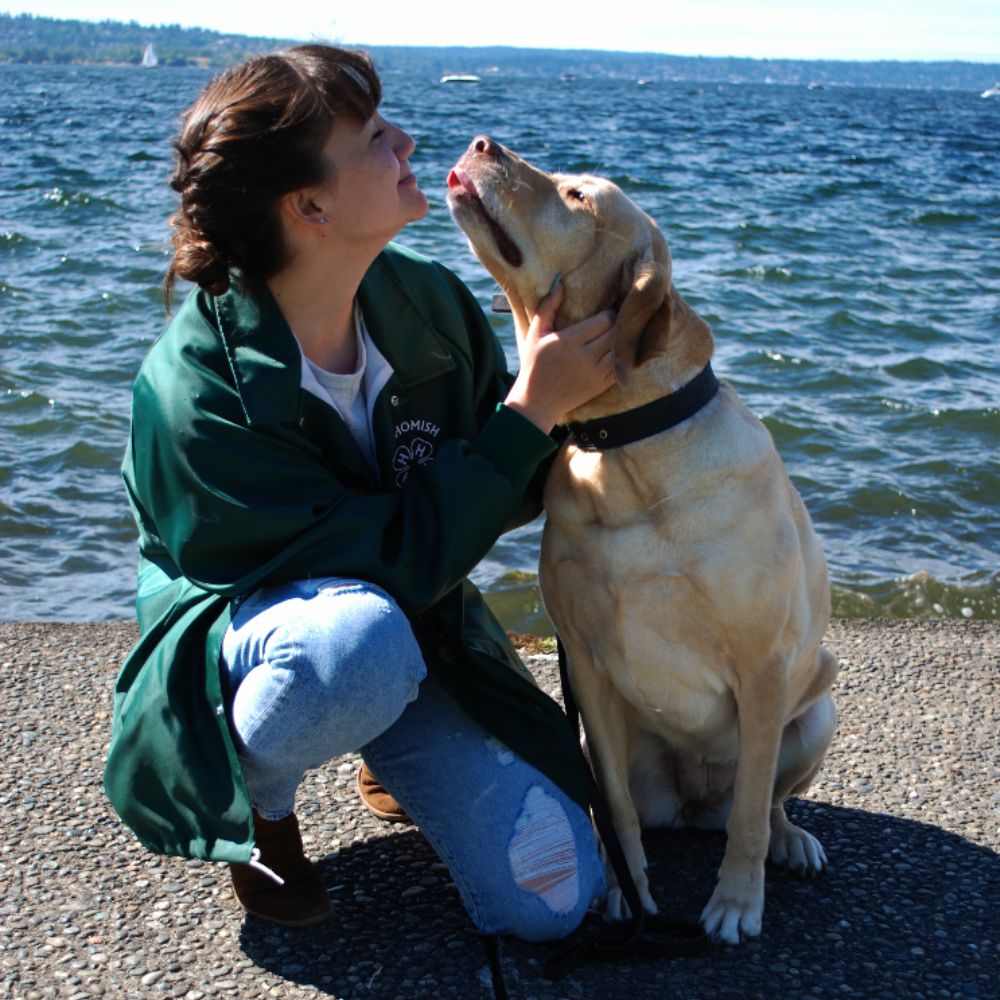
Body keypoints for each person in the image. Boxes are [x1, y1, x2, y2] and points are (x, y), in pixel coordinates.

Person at [103, 44, 617, 943]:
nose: (407, 141)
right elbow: (386, 560)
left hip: (406, 627)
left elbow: (503, 486)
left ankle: (389, 745)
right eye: (375, 136)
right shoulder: (196, 393)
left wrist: (589, 398)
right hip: (268, 640)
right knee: (354, 649)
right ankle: (261, 805)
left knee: (553, 897)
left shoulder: (426, 304)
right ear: (309, 207)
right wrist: (531, 410)